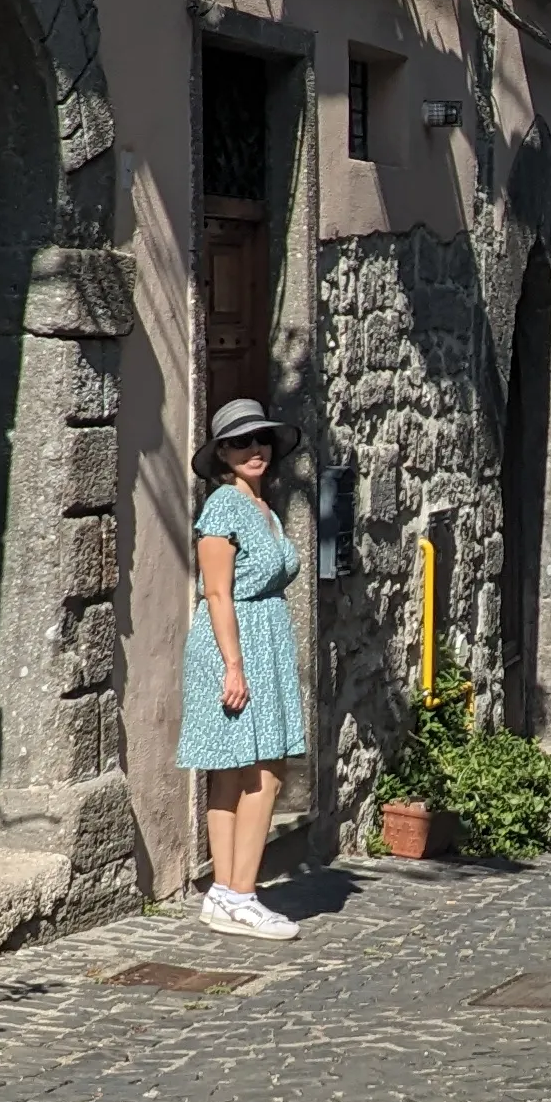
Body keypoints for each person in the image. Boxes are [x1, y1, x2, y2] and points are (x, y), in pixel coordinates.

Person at [178, 397, 306, 933]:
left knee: (237, 772)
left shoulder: (263, 508)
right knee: (263, 772)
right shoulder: (224, 508)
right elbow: (216, 593)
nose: (254, 449)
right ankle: (241, 892)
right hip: (235, 645)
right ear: (222, 455)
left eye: (260, 439)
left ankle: (225, 894)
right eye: (239, 442)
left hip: (265, 642)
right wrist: (233, 666)